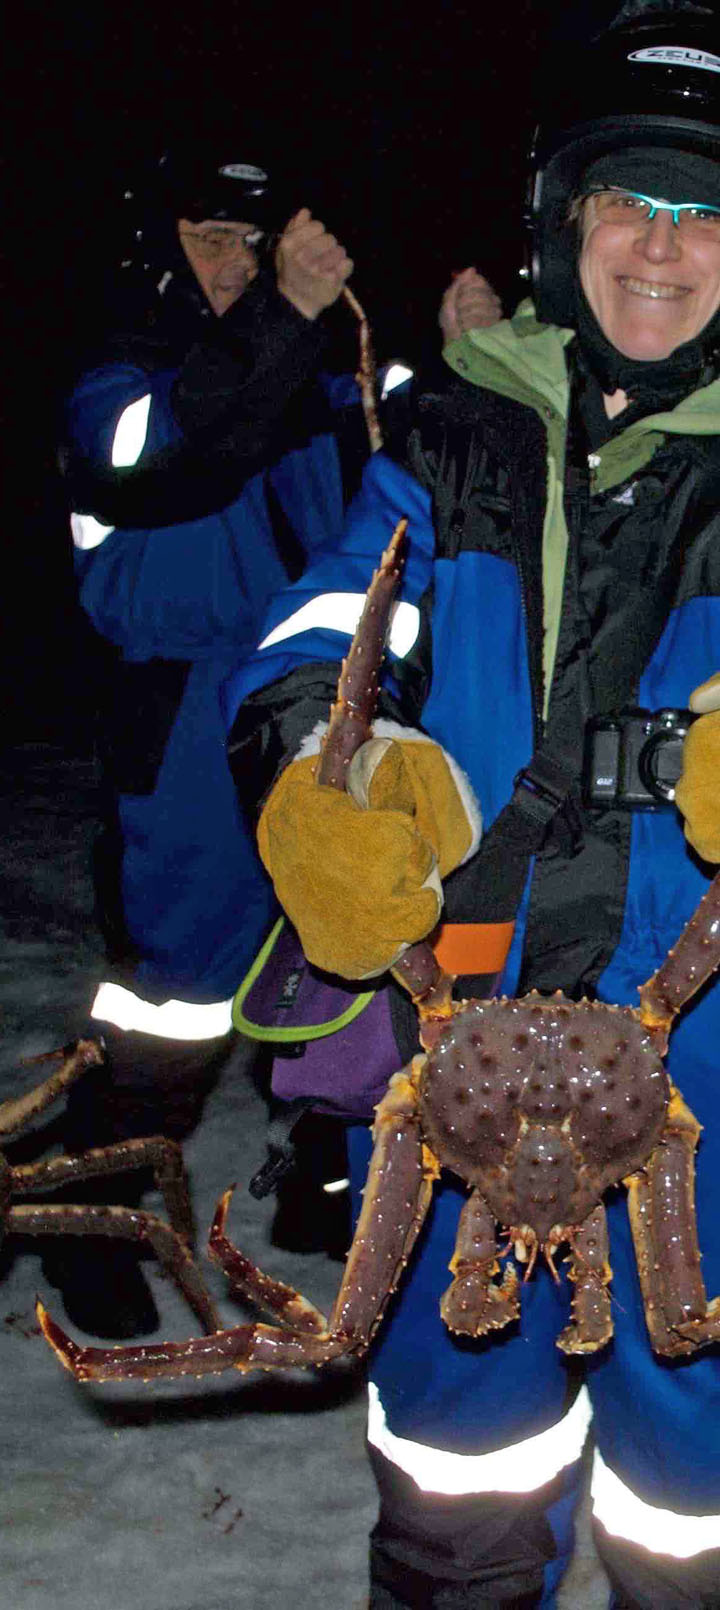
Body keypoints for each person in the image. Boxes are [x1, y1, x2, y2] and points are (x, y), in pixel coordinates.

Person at [226, 5, 720, 1605]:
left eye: (705, 208)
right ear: (557, 224)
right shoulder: (439, 447)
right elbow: (313, 646)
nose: (660, 245)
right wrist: (335, 772)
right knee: (454, 1491)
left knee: (707, 1524)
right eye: (622, 200)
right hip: (452, 1060)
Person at [52, 148, 360, 1337]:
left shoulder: (301, 374)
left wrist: (462, 343)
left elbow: (399, 452)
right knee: (175, 998)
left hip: (312, 705)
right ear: (156, 247)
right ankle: (94, 1219)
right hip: (184, 712)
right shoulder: (119, 383)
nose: (238, 262)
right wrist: (285, 318)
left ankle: (329, 1185)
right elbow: (179, 458)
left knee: (352, 956)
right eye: (211, 237)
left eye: (254, 236)